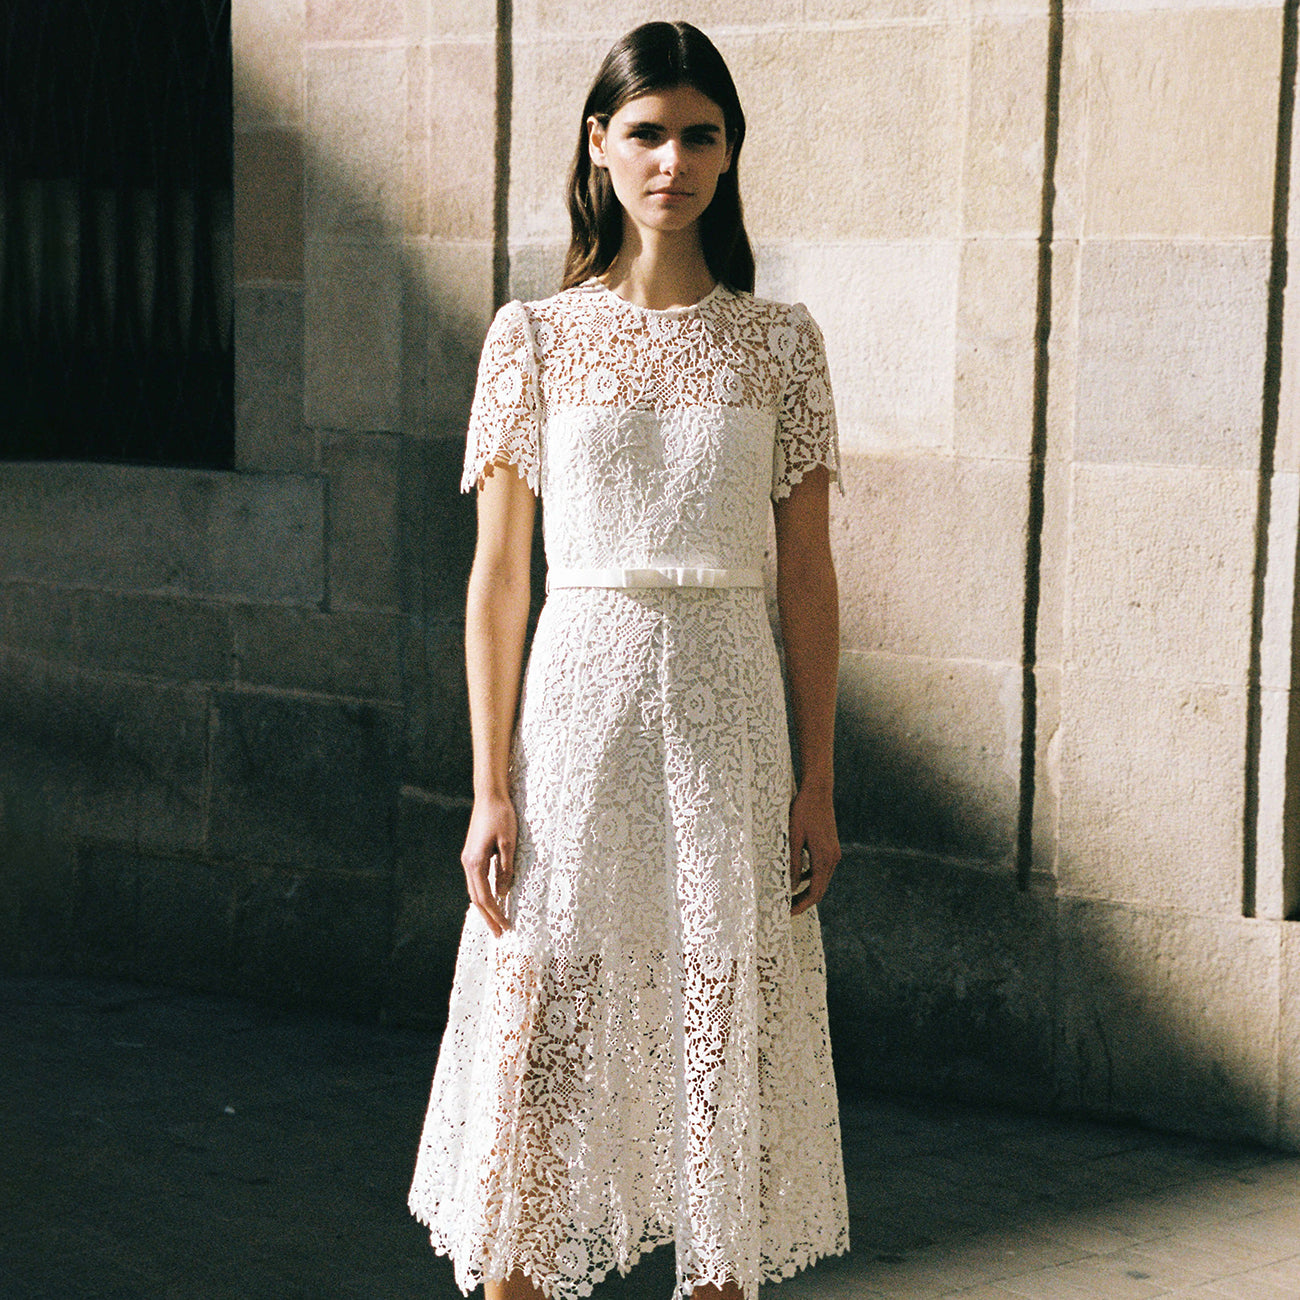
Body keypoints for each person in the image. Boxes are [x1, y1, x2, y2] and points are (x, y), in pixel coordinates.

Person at [409, 21, 848, 1300]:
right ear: (599, 147)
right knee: (545, 1015)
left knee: (722, 1018)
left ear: (729, 153)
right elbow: (498, 577)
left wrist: (818, 780)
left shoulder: (782, 342)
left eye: (699, 134)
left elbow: (810, 578)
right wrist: (489, 785)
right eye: (647, 132)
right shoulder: (531, 338)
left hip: (727, 709)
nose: (673, 160)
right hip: (577, 701)